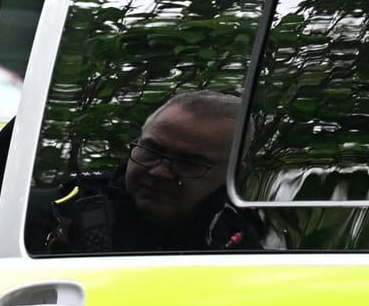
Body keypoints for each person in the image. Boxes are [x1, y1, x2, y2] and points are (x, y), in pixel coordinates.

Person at [32, 90, 263, 253]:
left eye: (188, 163)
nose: (160, 172)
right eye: (151, 151)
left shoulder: (239, 244)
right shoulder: (52, 215)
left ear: (232, 174)